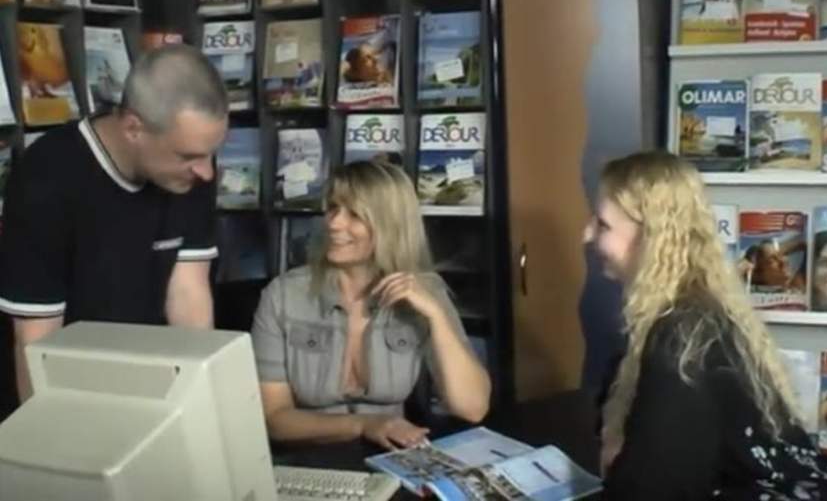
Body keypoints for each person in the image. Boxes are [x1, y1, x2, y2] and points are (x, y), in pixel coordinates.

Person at [583, 151, 827, 500]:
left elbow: (655, 489)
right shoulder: (700, 314)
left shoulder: (682, 336)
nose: (587, 234)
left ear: (651, 237)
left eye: (603, 225)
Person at [0, 44, 228, 402]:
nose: (206, 172)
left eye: (211, 152)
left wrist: (206, 401)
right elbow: (36, 340)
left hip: (147, 381)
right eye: (189, 156)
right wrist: (47, 429)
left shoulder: (191, 172)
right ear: (134, 128)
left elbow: (188, 293)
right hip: (66, 384)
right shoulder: (46, 178)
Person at [251, 161, 490, 450]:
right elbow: (274, 419)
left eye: (355, 214)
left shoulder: (426, 292)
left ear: (390, 224)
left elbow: (472, 407)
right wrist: (366, 425)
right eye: (333, 208)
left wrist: (436, 317)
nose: (334, 223)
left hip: (391, 455)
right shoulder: (283, 295)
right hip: (306, 456)